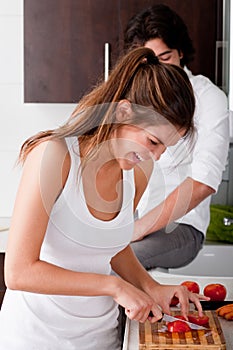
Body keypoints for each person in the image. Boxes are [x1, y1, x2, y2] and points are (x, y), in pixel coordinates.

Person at [0, 47, 209, 350]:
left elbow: (111, 243)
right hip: (34, 340)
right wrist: (113, 286)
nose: (156, 156)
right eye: (153, 141)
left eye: (164, 148)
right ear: (123, 111)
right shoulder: (55, 156)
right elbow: (18, 272)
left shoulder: (137, 171)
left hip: (101, 339)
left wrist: (151, 287)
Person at [124, 4, 229, 270]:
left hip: (181, 227)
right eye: (151, 61)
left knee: (118, 263)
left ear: (181, 52)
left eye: (167, 56)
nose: (160, 70)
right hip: (130, 221)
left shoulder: (209, 99)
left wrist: (137, 230)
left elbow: (203, 182)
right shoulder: (136, 98)